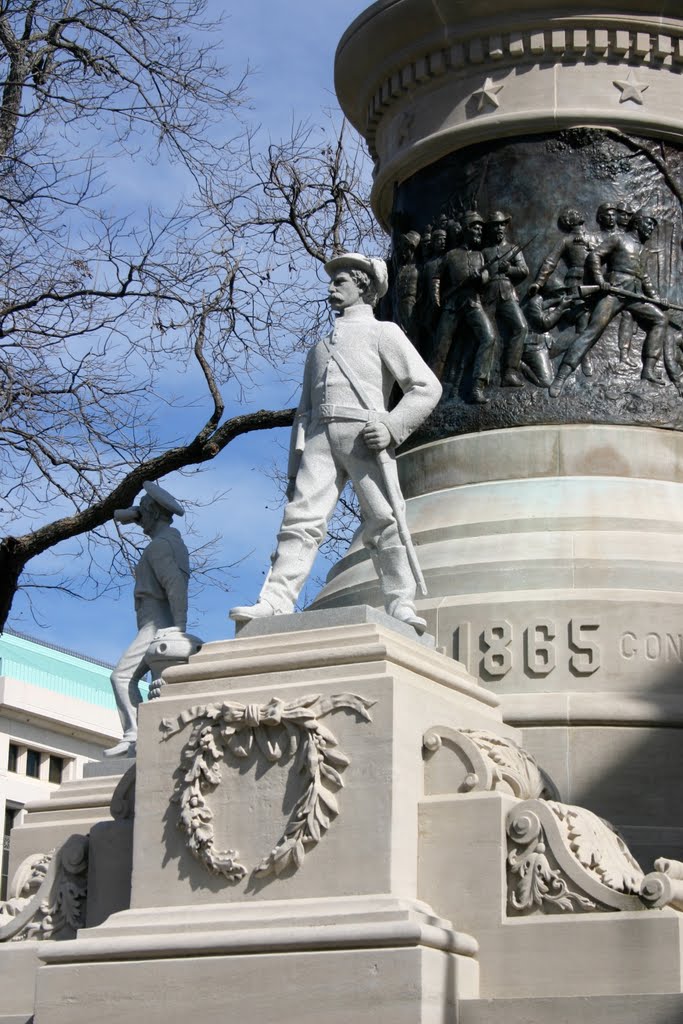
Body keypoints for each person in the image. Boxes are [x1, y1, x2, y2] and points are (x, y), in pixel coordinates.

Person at [230, 252, 442, 634]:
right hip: (320, 440)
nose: (330, 289)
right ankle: (275, 601)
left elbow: (426, 388)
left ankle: (400, 603)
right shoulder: (320, 348)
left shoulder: (384, 333)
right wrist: (296, 464)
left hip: (365, 436)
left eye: (339, 282)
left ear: (362, 285)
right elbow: (304, 413)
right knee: (300, 520)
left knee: (385, 520)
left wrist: (393, 426)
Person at [104, 481, 190, 757]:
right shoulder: (167, 543)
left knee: (121, 677)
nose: (139, 517)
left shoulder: (161, 547)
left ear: (153, 513)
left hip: (157, 624)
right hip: (154, 622)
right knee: (157, 689)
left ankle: (134, 736)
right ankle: (145, 739)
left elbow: (175, 588)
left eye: (143, 511)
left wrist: (178, 631)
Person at [549, 208, 667, 397]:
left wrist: (655, 298)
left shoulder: (642, 248)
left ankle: (648, 369)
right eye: (649, 223)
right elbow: (595, 256)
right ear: (637, 223)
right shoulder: (619, 239)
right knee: (592, 331)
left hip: (634, 295)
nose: (651, 228)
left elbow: (643, 276)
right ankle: (561, 376)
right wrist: (599, 280)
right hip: (614, 292)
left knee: (660, 319)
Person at [430, 210, 496, 403]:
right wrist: (436, 299)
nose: (479, 233)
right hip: (451, 305)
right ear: (467, 230)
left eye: (481, 229)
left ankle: (478, 386)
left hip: (473, 302)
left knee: (489, 337)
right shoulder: (451, 255)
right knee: (441, 348)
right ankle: (429, 393)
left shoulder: (480, 256)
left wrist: (480, 278)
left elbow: (487, 279)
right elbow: (436, 277)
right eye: (476, 229)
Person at [481, 210, 529, 387]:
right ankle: (483, 378)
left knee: (521, 328)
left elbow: (524, 271)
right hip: (489, 295)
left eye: (502, 224)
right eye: (496, 225)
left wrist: (509, 269)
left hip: (508, 293)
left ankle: (510, 372)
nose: (499, 228)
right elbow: (482, 275)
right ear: (490, 229)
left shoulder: (513, 249)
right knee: (486, 335)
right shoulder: (484, 252)